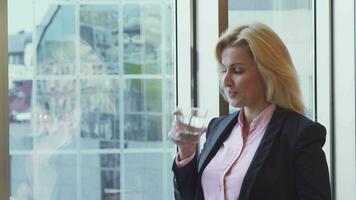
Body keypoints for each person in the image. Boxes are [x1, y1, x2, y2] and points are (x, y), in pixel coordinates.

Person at [169, 22, 331, 200]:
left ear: (268, 73)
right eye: (224, 70)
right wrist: (186, 151)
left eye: (237, 70)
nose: (226, 80)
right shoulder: (217, 127)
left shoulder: (300, 134)